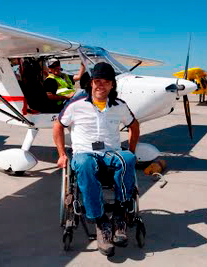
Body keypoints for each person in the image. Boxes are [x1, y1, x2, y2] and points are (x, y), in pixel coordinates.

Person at [53, 62, 140, 256]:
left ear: (112, 85)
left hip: (110, 152)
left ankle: (119, 215)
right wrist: (61, 154)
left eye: (106, 82)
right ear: (91, 83)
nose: (101, 85)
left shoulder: (119, 106)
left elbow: (134, 126)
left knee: (128, 159)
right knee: (84, 164)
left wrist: (131, 150)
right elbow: (58, 126)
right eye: (97, 81)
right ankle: (100, 221)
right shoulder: (76, 105)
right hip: (84, 153)